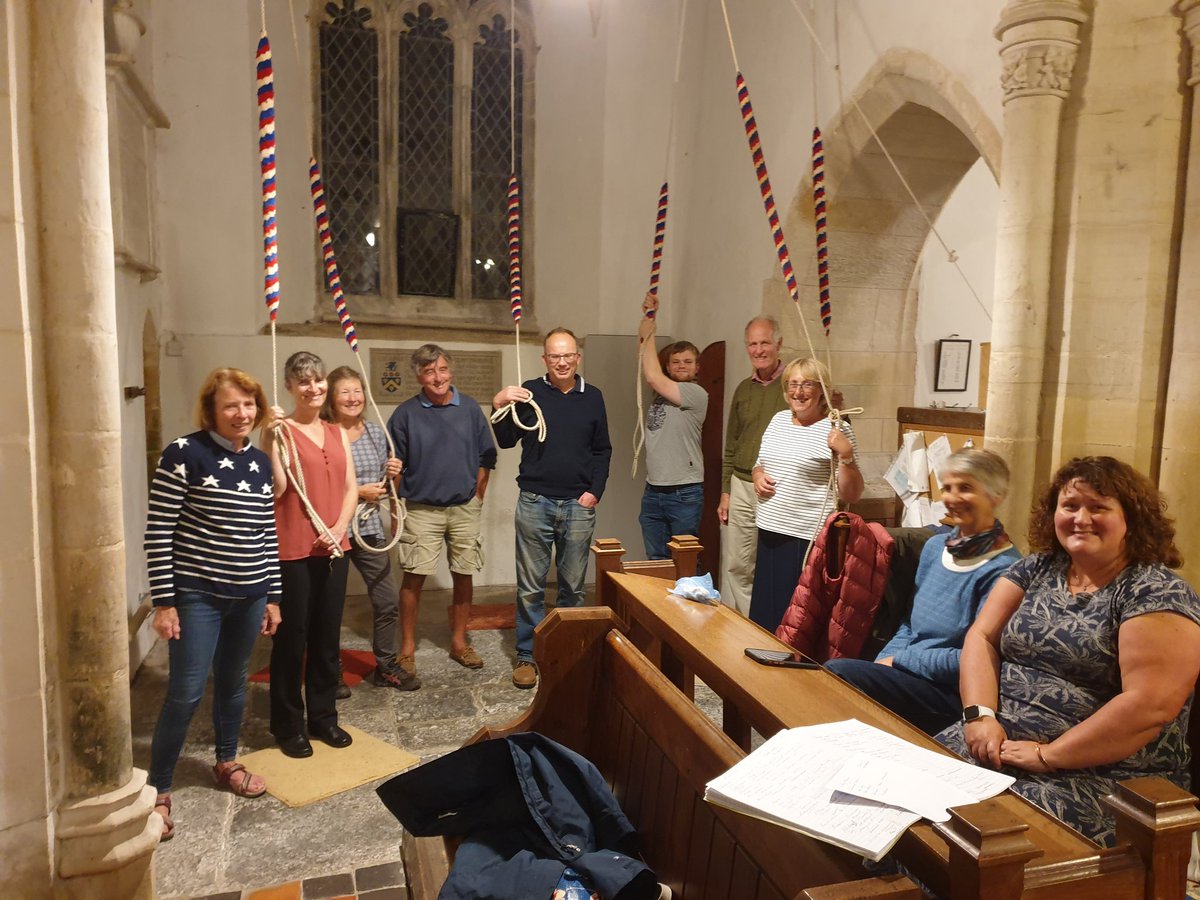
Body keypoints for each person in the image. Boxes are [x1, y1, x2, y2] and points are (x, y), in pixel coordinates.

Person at [944, 456, 1200, 846]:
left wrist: (1049, 755)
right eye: (1070, 506)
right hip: (997, 743)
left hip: (1102, 776)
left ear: (1132, 519)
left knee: (972, 835)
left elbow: (1149, 706)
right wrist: (979, 717)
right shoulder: (1037, 568)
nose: (1081, 518)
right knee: (903, 792)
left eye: (1098, 507)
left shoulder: (1155, 591)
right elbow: (981, 638)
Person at [145, 368, 281, 841]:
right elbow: (158, 531)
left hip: (250, 595)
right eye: (230, 405)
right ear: (211, 410)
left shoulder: (260, 462)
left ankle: (226, 761)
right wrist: (164, 603)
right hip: (197, 596)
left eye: (248, 404)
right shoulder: (184, 453)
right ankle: (158, 788)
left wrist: (273, 596)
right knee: (185, 692)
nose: (241, 413)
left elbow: (266, 534)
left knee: (233, 683)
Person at [825, 449, 1020, 735]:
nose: (952, 498)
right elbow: (909, 625)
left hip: (952, 690)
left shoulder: (1005, 570)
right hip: (910, 672)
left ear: (996, 495)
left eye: (966, 488)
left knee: (838, 674)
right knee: (833, 679)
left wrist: (900, 662)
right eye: (947, 488)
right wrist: (883, 664)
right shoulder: (935, 547)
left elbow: (979, 658)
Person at [492, 328, 612, 689]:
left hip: (578, 505)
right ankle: (527, 655)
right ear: (545, 359)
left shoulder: (593, 396)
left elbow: (602, 450)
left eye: (567, 355)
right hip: (535, 502)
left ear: (578, 357)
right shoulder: (531, 392)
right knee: (530, 588)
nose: (562, 362)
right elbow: (506, 439)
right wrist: (498, 402)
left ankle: (567, 652)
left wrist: (594, 492)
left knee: (572, 588)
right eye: (554, 356)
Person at [262, 351, 359, 758]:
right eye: (303, 381)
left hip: (334, 547)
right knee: (292, 637)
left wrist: (339, 527)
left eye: (318, 380)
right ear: (289, 386)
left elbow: (351, 487)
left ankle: (323, 717)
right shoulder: (281, 432)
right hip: (294, 548)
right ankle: (287, 724)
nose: (313, 388)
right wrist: (268, 438)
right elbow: (279, 487)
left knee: (326, 635)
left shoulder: (337, 433)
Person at [388, 345, 498, 676]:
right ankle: (407, 648)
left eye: (442, 369)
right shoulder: (405, 414)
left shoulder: (470, 409)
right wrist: (395, 510)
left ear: (451, 371)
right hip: (420, 510)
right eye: (429, 371)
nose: (438, 377)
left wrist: (477, 495)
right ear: (419, 377)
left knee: (464, 574)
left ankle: (460, 643)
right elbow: (394, 466)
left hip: (463, 509)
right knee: (413, 577)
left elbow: (487, 456)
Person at [749, 357, 863, 633]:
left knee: (795, 618)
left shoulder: (837, 429)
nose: (798, 392)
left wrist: (846, 455)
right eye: (793, 384)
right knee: (765, 614)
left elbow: (853, 493)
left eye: (807, 384)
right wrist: (758, 476)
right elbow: (760, 464)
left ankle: (791, 661)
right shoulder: (778, 421)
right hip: (769, 529)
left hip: (805, 537)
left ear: (821, 390)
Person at [322, 366, 418, 692]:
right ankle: (330, 671)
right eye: (344, 392)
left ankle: (386, 665)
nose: (353, 398)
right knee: (329, 607)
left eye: (357, 391)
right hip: (334, 530)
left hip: (369, 527)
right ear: (331, 398)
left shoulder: (376, 433)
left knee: (387, 600)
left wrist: (393, 473)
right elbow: (315, 486)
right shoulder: (323, 434)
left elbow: (385, 487)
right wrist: (358, 493)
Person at [719, 316, 788, 616]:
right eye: (752, 344)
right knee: (738, 563)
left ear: (778, 344)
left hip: (777, 487)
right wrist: (726, 491)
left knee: (774, 562)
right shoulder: (743, 389)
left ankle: (772, 625)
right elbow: (731, 444)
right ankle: (749, 625)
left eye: (765, 343)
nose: (758, 350)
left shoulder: (792, 386)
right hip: (741, 484)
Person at [636, 293, 708, 559]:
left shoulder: (695, 393)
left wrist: (649, 328)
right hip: (653, 489)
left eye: (688, 362)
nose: (681, 366)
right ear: (667, 366)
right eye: (676, 362)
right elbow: (645, 359)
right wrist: (647, 318)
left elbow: (653, 376)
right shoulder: (660, 392)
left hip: (684, 493)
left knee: (685, 562)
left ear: (697, 367)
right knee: (656, 562)